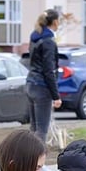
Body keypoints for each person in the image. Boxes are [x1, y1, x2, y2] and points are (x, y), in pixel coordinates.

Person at [26, 9, 63, 143]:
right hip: (42, 88)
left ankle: (28, 161)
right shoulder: (48, 41)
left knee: (34, 128)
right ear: (54, 22)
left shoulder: (35, 37)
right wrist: (56, 96)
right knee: (42, 130)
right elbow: (49, 70)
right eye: (58, 20)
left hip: (31, 84)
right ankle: (37, 162)